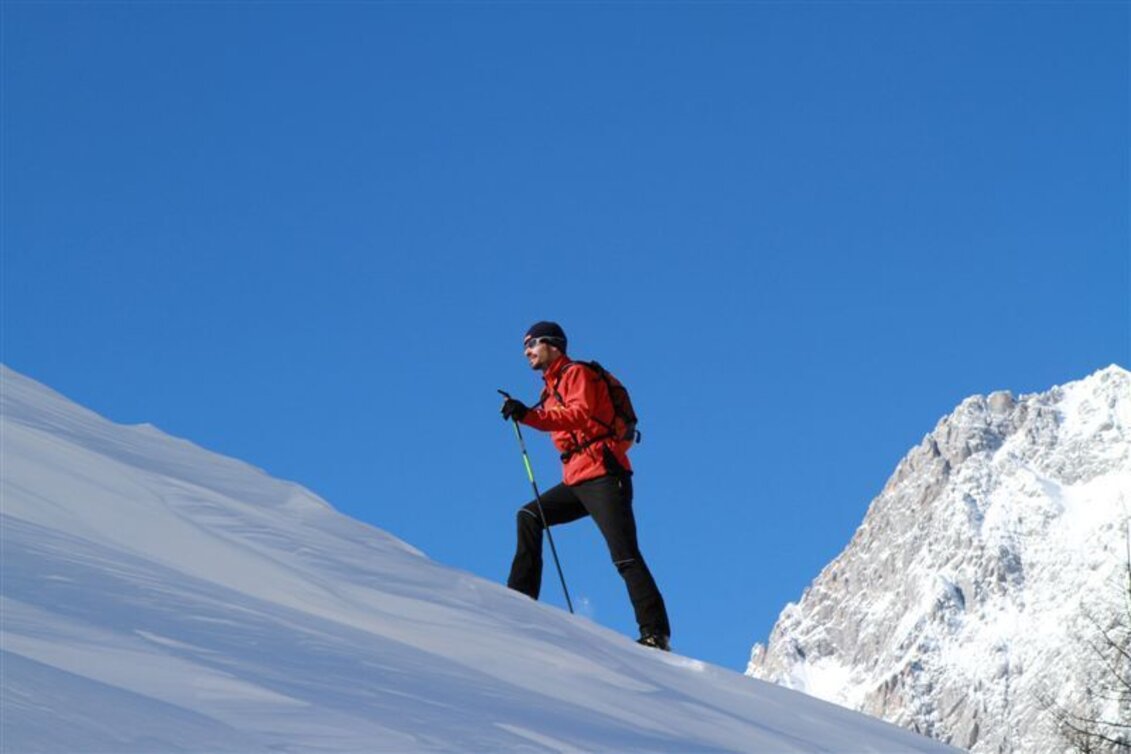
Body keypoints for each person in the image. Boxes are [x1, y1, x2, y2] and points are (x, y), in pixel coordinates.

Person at [500, 321, 671, 650]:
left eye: (532, 343)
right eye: (525, 346)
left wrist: (527, 416)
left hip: (605, 474)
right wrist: (526, 411)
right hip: (577, 478)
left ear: (553, 344)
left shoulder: (576, 374)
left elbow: (579, 414)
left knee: (624, 555)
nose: (527, 351)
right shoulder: (548, 390)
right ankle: (519, 601)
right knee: (529, 515)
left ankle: (656, 633)